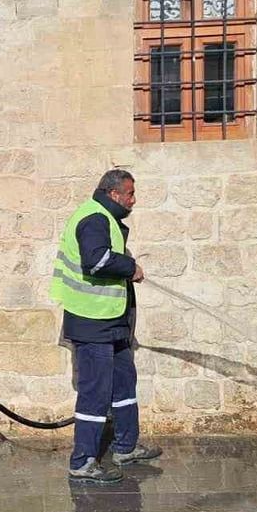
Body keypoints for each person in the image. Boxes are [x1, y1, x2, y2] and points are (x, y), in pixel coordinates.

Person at [50, 169, 162, 483]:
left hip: (112, 321)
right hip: (91, 322)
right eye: (129, 194)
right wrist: (131, 267)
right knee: (95, 392)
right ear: (113, 194)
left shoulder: (105, 218)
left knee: (125, 382)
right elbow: (96, 261)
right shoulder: (94, 218)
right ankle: (83, 461)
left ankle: (125, 446)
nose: (133, 200)